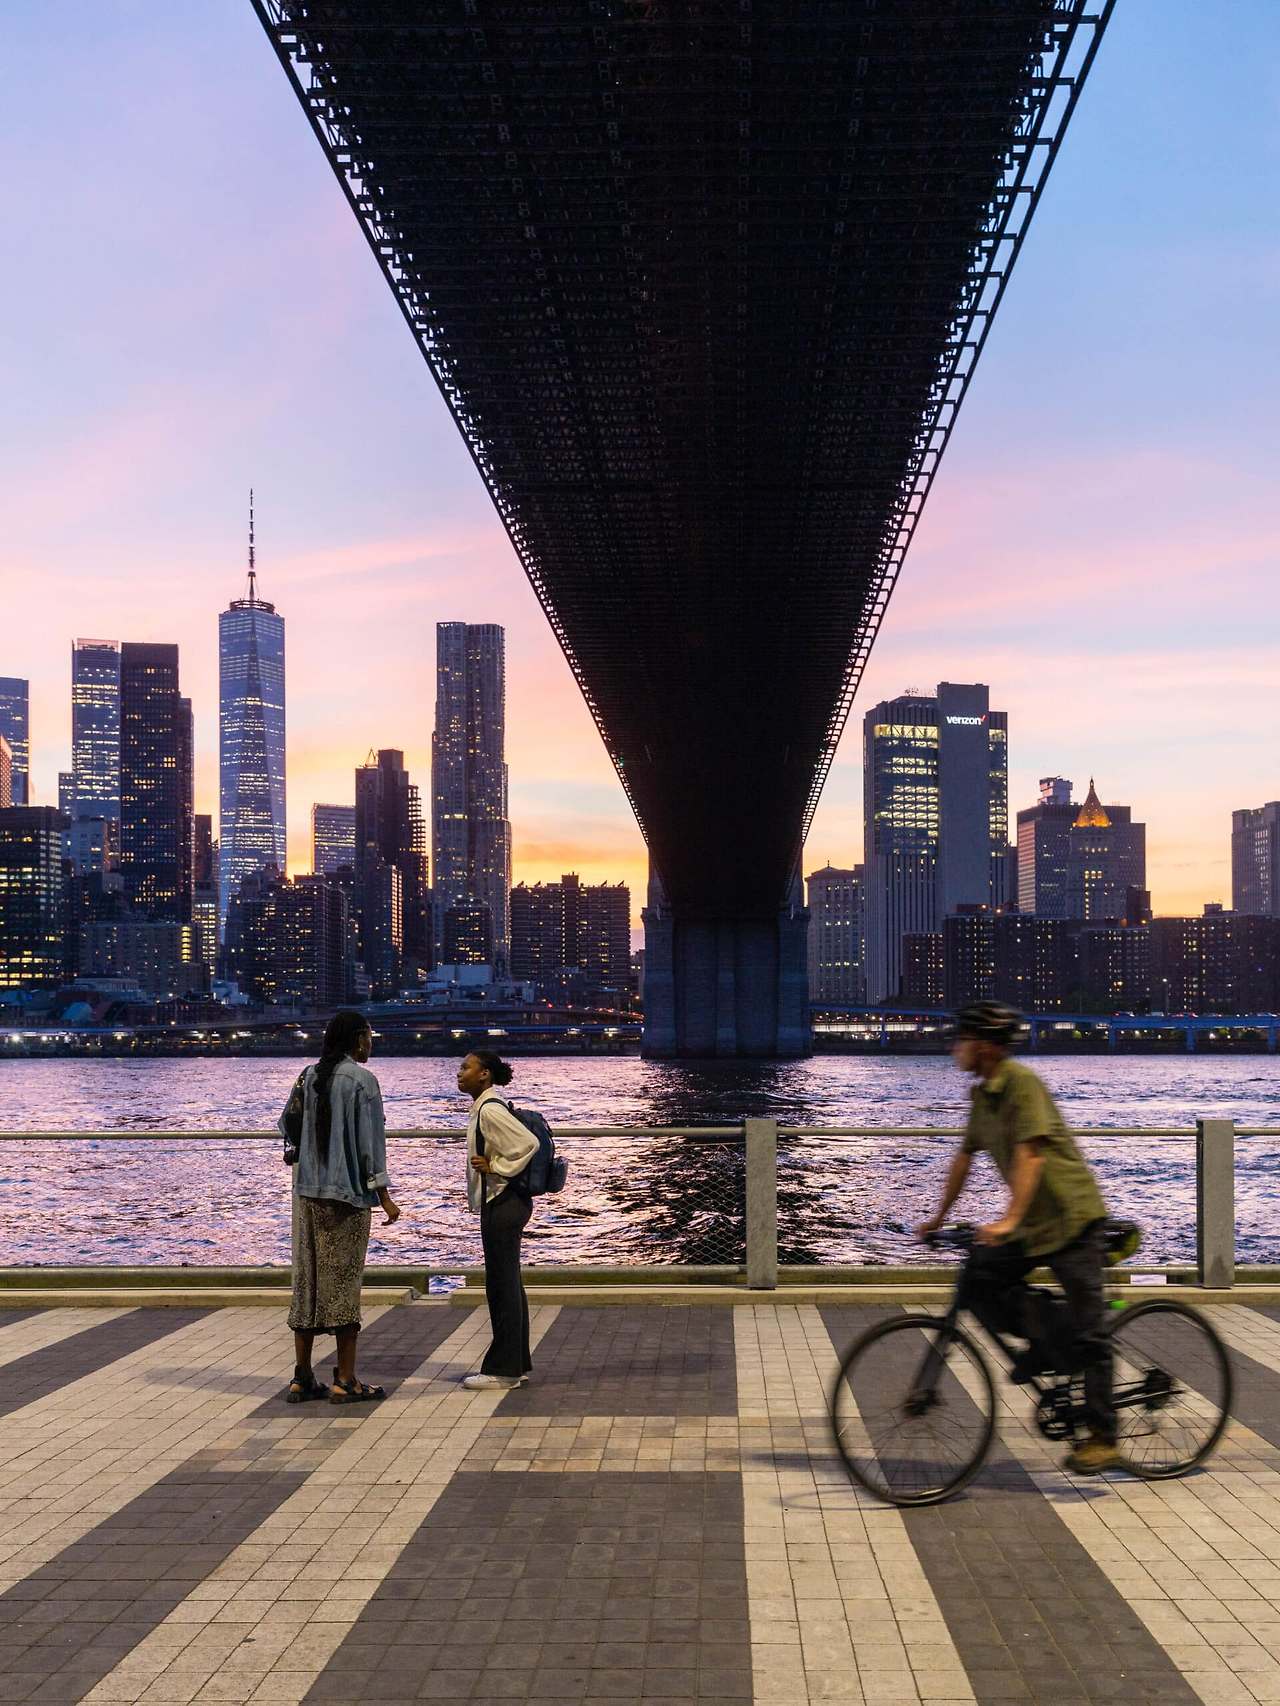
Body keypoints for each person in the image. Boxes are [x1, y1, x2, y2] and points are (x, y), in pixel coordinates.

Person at [916, 1001, 1119, 1474]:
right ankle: (1046, 1340)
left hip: (1072, 1220)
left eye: (961, 1038)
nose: (954, 1047)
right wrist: (938, 1217)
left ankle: (1103, 1436)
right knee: (982, 1277)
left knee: (1092, 1335)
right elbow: (965, 1159)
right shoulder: (983, 1095)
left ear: (984, 1047)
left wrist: (1007, 1221)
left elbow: (1031, 1155)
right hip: (1032, 1224)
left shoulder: (1022, 1084)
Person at [279, 1010, 401, 1404]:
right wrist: (384, 1196)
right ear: (358, 1039)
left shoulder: (308, 1076)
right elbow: (371, 1145)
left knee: (308, 1284)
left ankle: (301, 1377)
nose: (372, 1043)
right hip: (346, 1198)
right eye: (370, 1036)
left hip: (306, 1195)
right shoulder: (363, 1081)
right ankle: (345, 1380)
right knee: (343, 1285)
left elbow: (287, 1125)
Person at [458, 1049, 539, 1391]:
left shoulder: (490, 1109)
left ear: (485, 1074)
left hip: (502, 1203)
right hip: (507, 1202)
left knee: (500, 1286)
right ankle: (515, 1364)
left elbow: (527, 1143)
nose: (459, 1072)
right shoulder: (488, 1106)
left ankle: (502, 1371)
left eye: (466, 1067)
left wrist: (497, 1168)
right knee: (508, 1284)